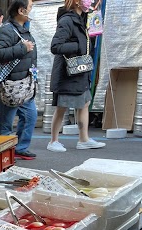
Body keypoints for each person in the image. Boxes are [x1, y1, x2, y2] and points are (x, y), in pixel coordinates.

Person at [47, 0, 105, 152]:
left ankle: (83, 139)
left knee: (84, 103)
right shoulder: (67, 20)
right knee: (62, 107)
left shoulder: (83, 18)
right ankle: (53, 141)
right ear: (77, 2)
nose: (90, 1)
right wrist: (78, 46)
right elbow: (55, 46)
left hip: (80, 70)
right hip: (67, 72)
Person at [0, 0, 38, 160]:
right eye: (30, 7)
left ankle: (20, 148)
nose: (32, 10)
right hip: (8, 88)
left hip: (24, 86)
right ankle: (1, 157)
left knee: (30, 117)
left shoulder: (24, 30)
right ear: (21, 11)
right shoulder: (7, 30)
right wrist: (22, 48)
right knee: (5, 125)